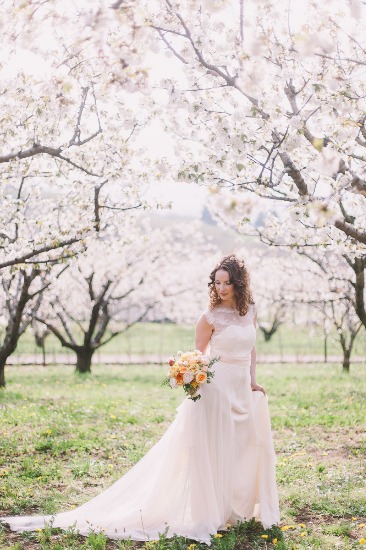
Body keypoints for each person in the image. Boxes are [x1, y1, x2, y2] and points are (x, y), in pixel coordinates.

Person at [1, 254, 280, 544]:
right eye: (217, 282)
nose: (221, 288)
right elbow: (199, 357)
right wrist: (194, 382)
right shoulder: (208, 317)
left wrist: (252, 381)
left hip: (240, 390)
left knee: (242, 448)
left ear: (239, 283)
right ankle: (212, 511)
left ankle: (237, 508)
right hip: (217, 391)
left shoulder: (250, 311)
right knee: (214, 451)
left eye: (227, 282)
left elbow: (251, 350)